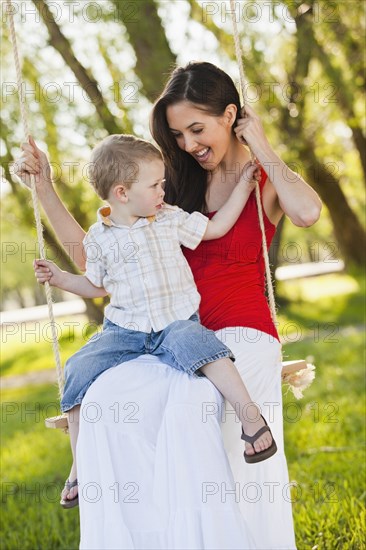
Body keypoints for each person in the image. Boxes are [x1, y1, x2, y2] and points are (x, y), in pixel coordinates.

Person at [15, 61, 322, 549]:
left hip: (242, 332)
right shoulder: (169, 191)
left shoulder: (261, 180)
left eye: (196, 129)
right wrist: (45, 187)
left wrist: (260, 145)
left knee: (192, 411)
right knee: (106, 406)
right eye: (177, 134)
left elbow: (307, 212)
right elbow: (96, 256)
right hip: (170, 335)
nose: (187, 144)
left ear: (230, 115)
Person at [33, 133, 277, 509]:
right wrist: (60, 278)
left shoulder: (168, 219)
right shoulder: (99, 239)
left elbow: (215, 229)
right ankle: (81, 464)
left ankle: (251, 418)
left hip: (174, 321)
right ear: (122, 193)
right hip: (124, 330)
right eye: (155, 184)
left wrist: (245, 188)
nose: (164, 189)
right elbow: (97, 286)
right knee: (78, 369)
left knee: (202, 346)